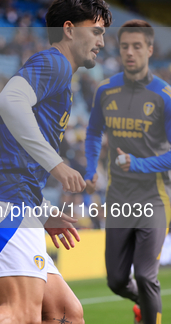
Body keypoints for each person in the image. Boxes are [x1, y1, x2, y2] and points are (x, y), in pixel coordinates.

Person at [0, 0, 111, 324]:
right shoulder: (53, 61)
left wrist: (41, 213)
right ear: (69, 29)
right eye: (96, 31)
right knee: (20, 313)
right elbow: (9, 102)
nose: (101, 42)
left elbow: (14, 157)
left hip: (13, 204)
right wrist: (56, 164)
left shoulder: (60, 79)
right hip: (0, 204)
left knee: (66, 313)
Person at [85, 20, 170, 324]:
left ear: (149, 49)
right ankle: (143, 307)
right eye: (124, 46)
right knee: (117, 281)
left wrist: (138, 164)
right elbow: (94, 132)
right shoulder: (106, 90)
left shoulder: (164, 96)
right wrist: (89, 168)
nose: (130, 52)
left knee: (146, 276)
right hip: (119, 196)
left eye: (137, 46)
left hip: (154, 196)